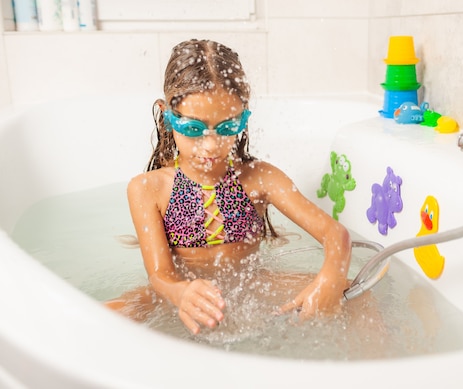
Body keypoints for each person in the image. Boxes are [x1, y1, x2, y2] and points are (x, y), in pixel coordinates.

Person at [106, 39, 352, 335]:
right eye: (193, 129)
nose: (210, 145)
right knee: (96, 318)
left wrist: (329, 279)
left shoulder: (260, 178)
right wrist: (180, 293)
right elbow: (160, 275)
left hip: (251, 286)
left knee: (355, 293)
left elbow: (335, 234)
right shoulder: (149, 188)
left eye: (227, 128)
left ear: (243, 117)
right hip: (175, 297)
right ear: (167, 116)